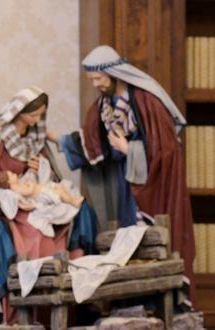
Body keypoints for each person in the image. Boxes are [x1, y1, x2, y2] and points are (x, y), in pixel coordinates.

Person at [0, 87, 97, 329]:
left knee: (69, 216)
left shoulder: (36, 140)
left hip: (35, 196)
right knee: (33, 233)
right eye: (34, 115)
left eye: (40, 115)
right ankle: (27, 308)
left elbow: (47, 176)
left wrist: (37, 167)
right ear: (21, 112)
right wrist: (9, 186)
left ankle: (66, 297)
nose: (37, 120)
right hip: (8, 202)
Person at [55, 45, 195, 297]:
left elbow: (165, 150)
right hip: (122, 180)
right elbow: (93, 140)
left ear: (113, 73)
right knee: (124, 236)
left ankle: (155, 296)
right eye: (92, 80)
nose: (96, 84)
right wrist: (61, 141)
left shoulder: (146, 101)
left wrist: (130, 149)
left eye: (99, 78)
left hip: (148, 184)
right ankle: (131, 296)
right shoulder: (103, 105)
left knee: (147, 237)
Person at [0, 156, 85, 238]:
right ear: (9, 182)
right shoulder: (17, 189)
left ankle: (72, 199)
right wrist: (31, 184)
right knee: (60, 191)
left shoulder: (19, 184)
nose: (15, 174)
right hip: (42, 194)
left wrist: (29, 179)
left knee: (60, 188)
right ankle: (73, 201)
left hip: (43, 190)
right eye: (12, 175)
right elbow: (29, 191)